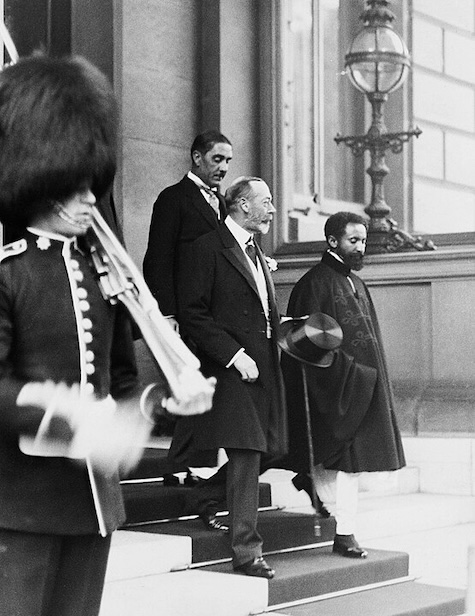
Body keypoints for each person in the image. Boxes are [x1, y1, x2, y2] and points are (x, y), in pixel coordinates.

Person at [0, 54, 213, 616]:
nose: (93, 198)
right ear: (38, 179)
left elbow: (120, 380)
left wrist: (161, 400)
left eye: (94, 183)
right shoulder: (7, 272)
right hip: (18, 503)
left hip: (94, 500)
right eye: (78, 186)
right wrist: (68, 414)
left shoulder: (106, 277)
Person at [174, 176, 287, 578]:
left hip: (267, 366)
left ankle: (205, 494)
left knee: (276, 447)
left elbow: (260, 313)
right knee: (246, 452)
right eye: (267, 201)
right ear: (241, 204)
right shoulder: (206, 249)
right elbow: (194, 314)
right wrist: (235, 356)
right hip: (233, 369)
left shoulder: (257, 251)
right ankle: (246, 552)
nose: (273, 209)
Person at [281, 211, 406, 559]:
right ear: (333, 241)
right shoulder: (313, 284)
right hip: (338, 387)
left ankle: (329, 506)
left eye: (363, 241)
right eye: (354, 240)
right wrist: (353, 376)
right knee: (343, 462)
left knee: (348, 463)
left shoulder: (357, 283)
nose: (360, 247)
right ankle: (345, 533)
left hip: (360, 385)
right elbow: (304, 345)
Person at [143, 129, 233, 483]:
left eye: (228, 160)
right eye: (217, 159)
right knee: (191, 385)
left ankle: (186, 466)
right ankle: (181, 466)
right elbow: (157, 259)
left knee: (204, 385)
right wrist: (167, 314)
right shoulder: (173, 199)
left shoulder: (222, 203)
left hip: (212, 313)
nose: (224, 167)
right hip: (183, 312)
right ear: (197, 157)